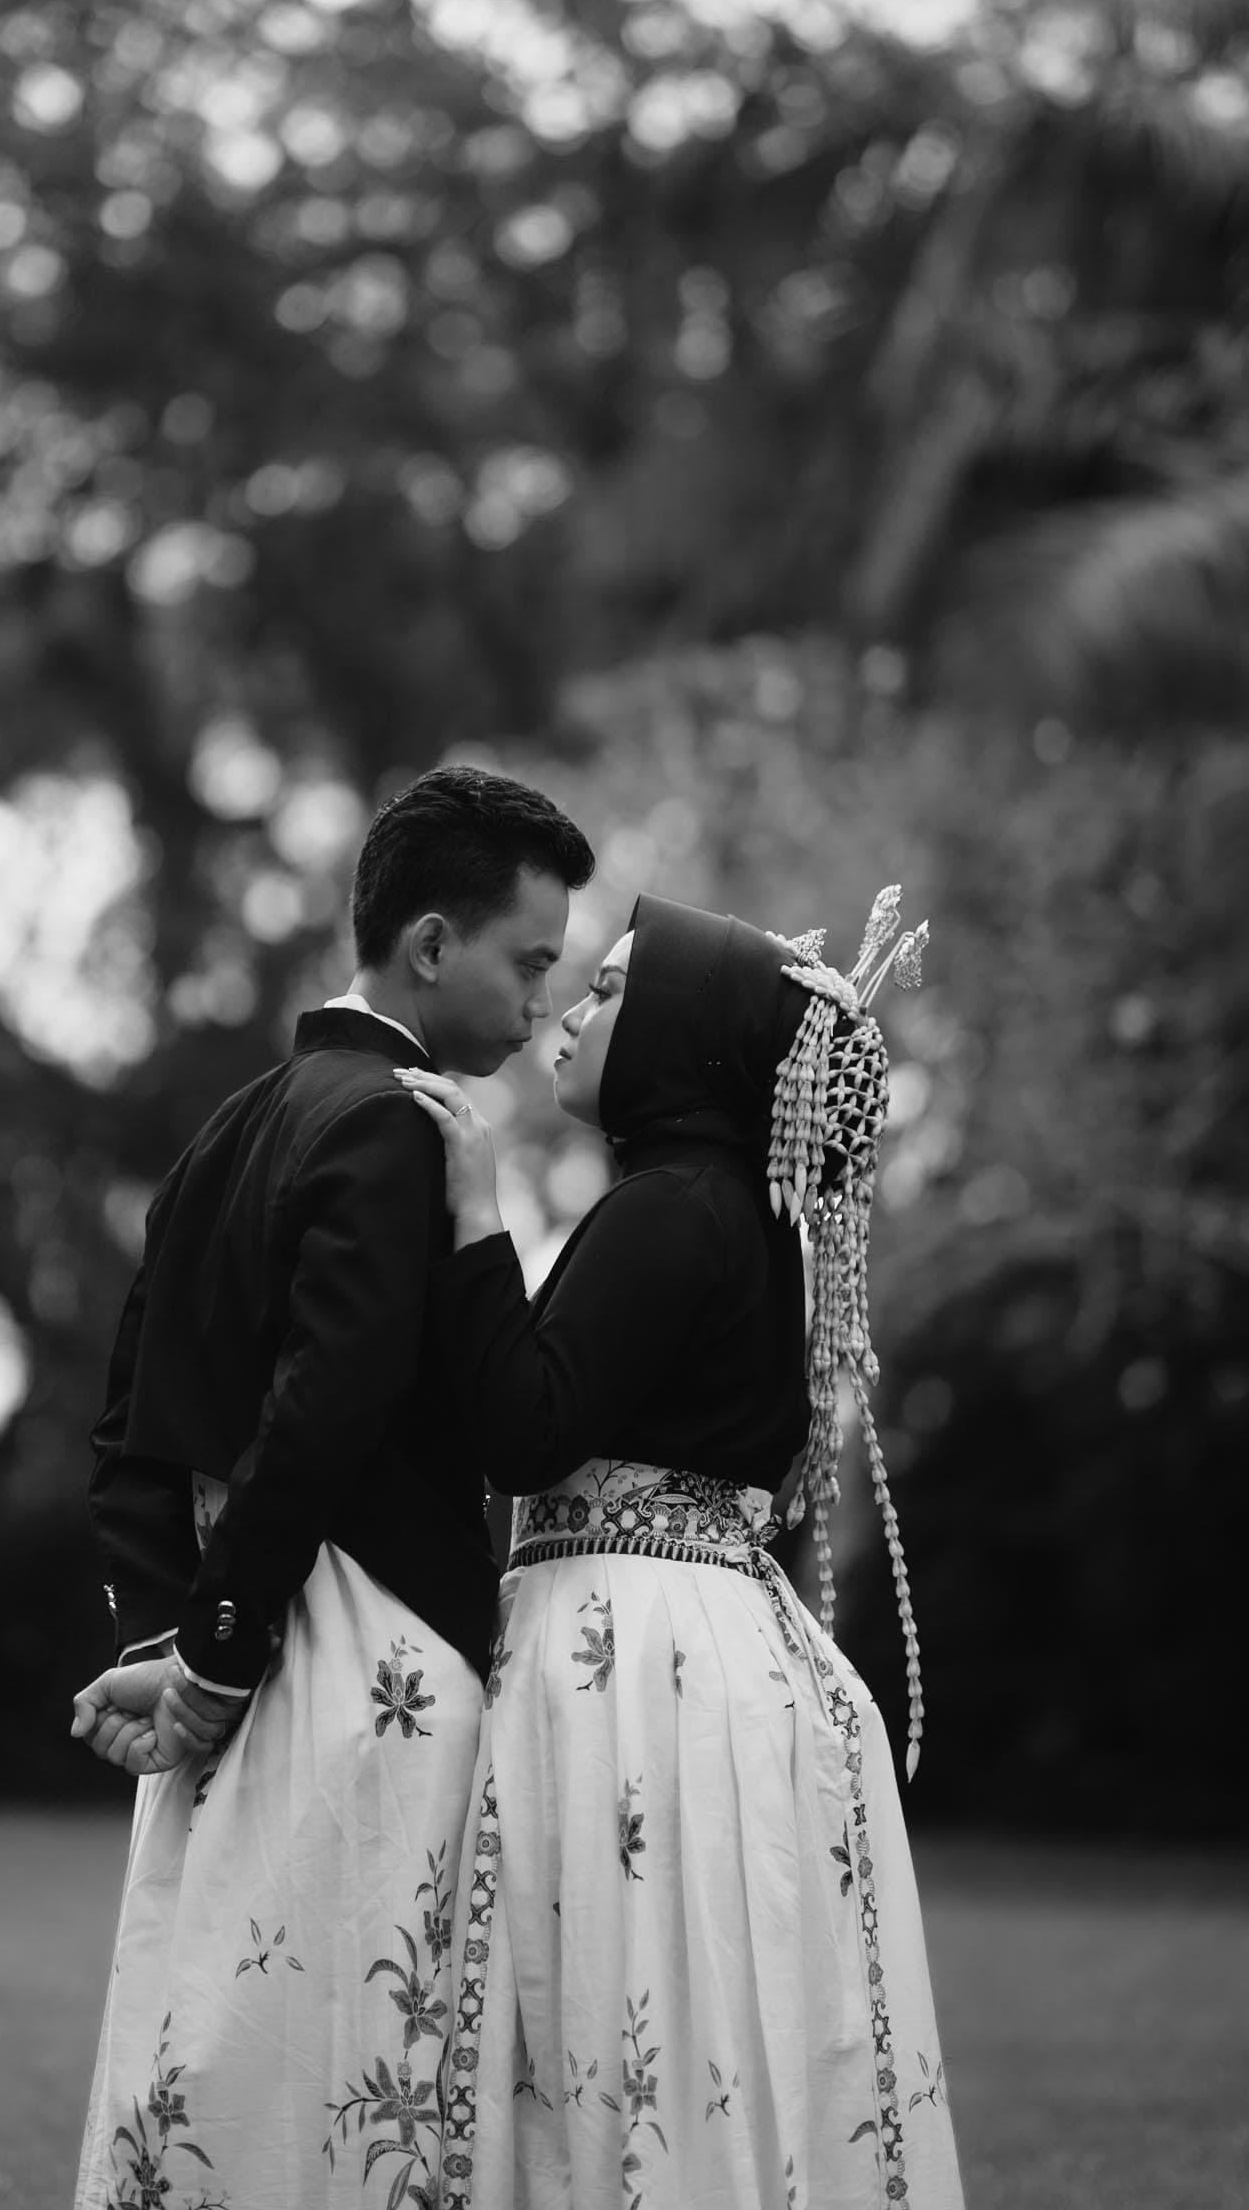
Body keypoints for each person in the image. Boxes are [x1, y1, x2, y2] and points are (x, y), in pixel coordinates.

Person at [69, 765, 596, 2210]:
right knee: (356, 2068)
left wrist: (166, 1633)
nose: (542, 1004)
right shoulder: (392, 1123)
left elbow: (129, 1424)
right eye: (529, 963)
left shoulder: (230, 1127)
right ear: (429, 945)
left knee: (222, 2050)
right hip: (361, 1661)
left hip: (241, 1640)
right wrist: (216, 1659)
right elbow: (327, 1409)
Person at [397, 887, 965, 2210]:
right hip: (713, 1644)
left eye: (610, 990)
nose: (570, 1008)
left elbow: (524, 1434)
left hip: (632, 1655)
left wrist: (476, 1214)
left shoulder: (668, 1209)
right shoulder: (746, 1225)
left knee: (614, 2017)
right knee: (698, 2018)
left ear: (683, 1038)